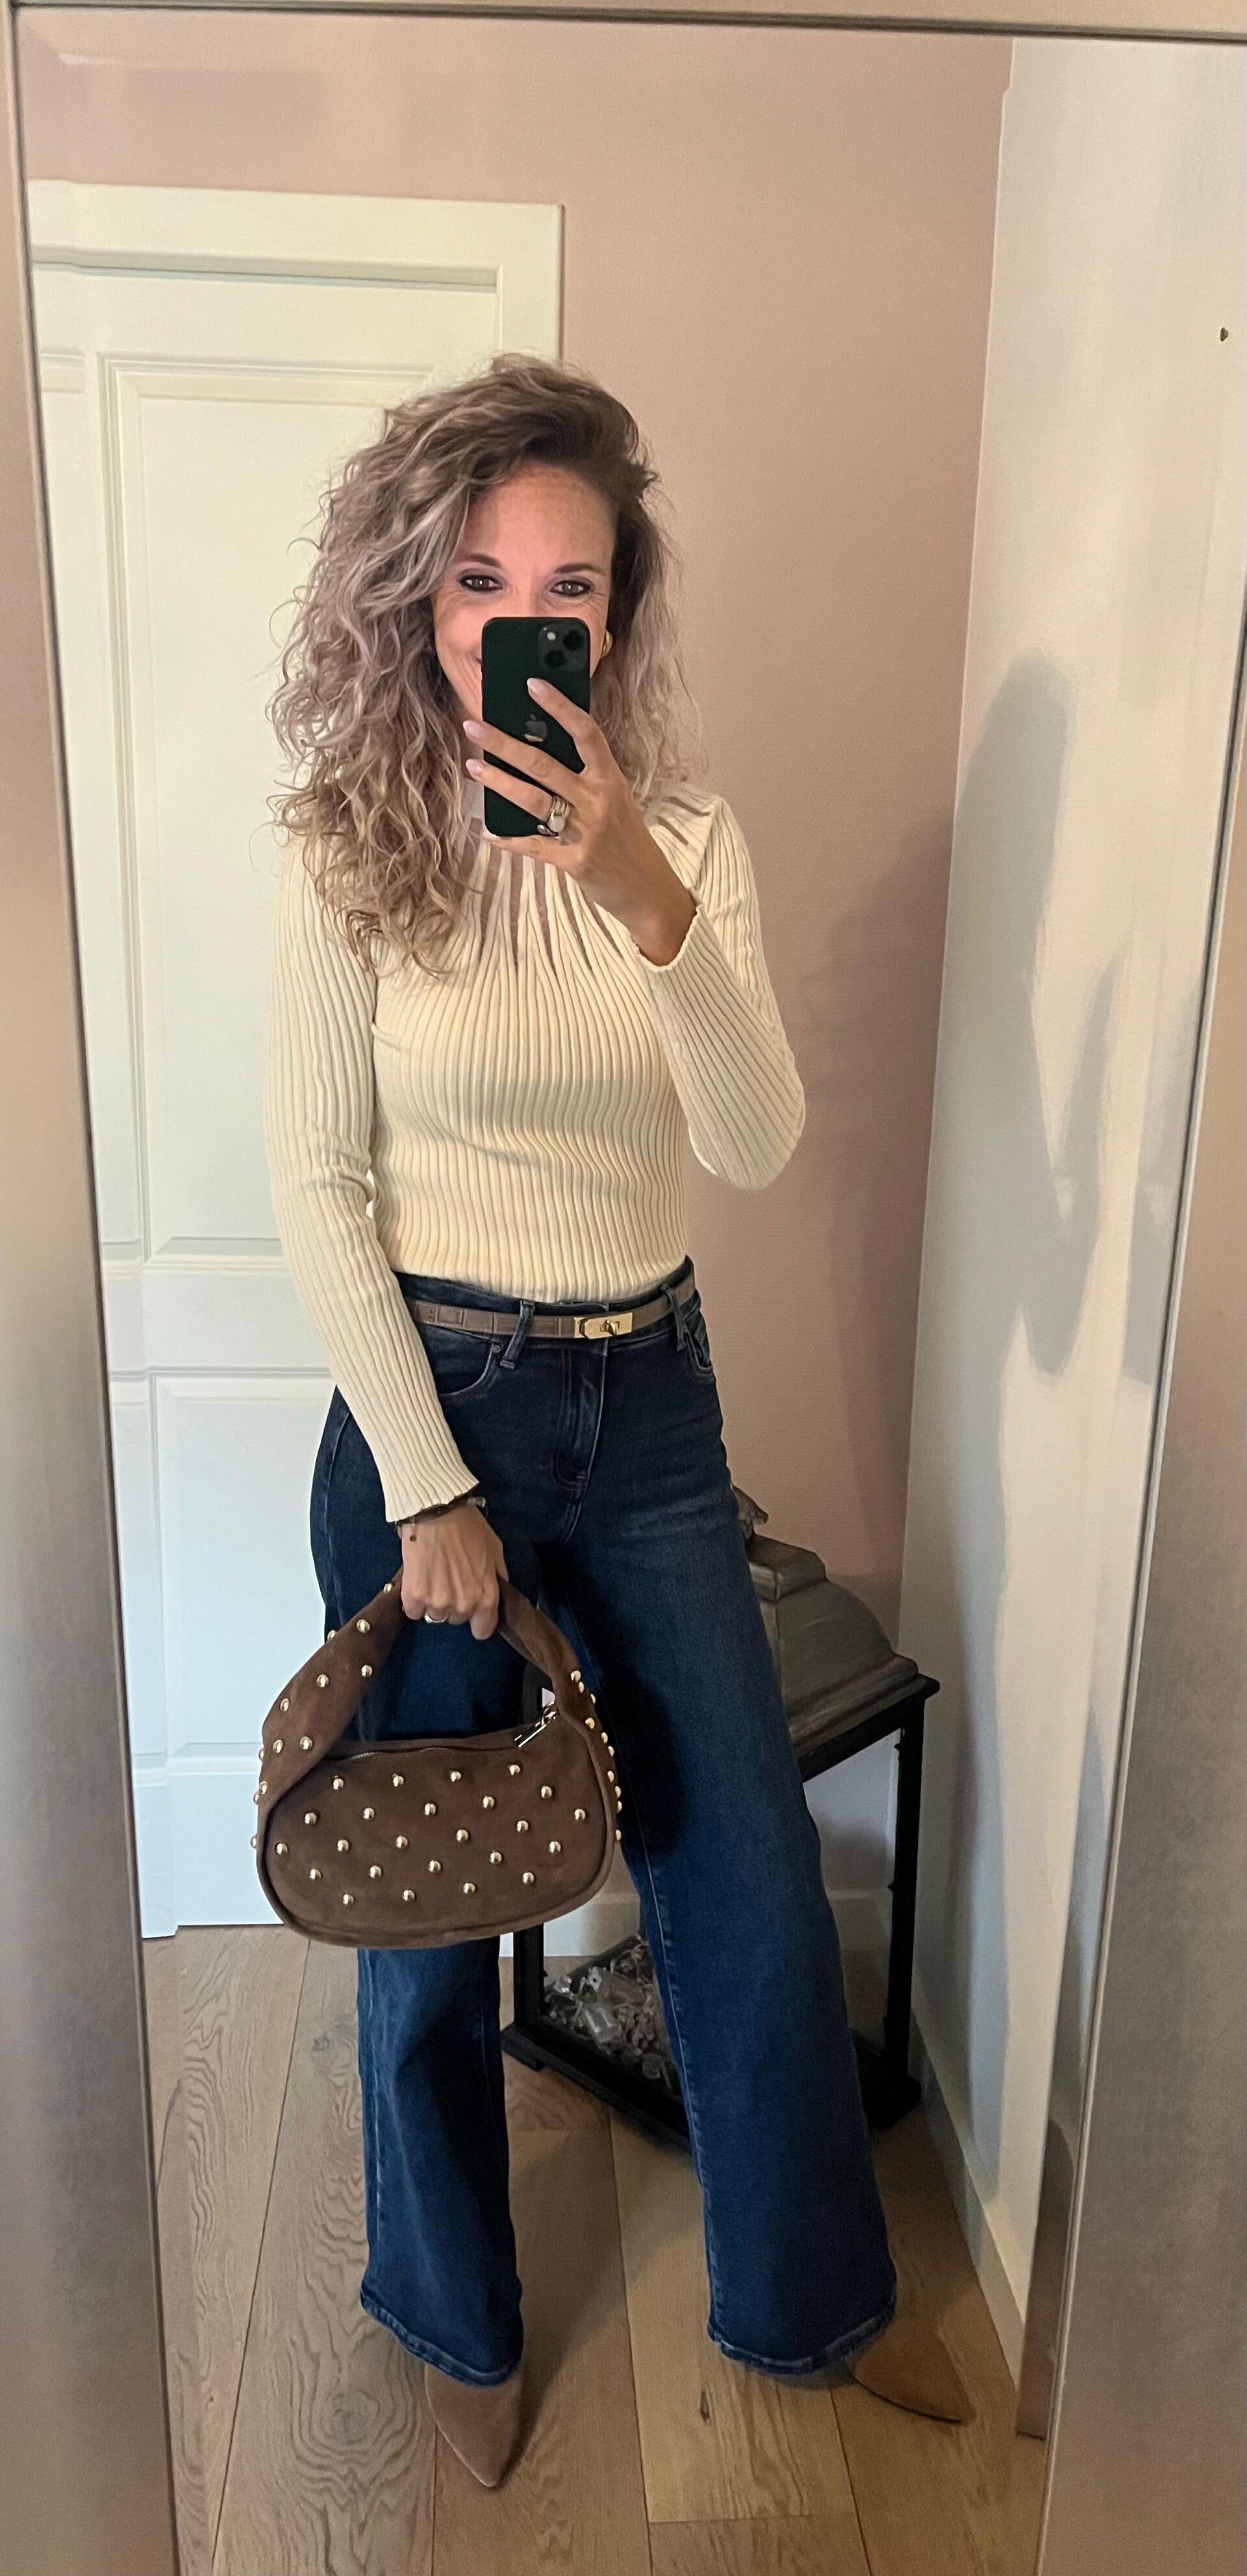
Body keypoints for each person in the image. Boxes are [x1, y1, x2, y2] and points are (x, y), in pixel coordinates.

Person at [264, 352, 968, 2488]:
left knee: (740, 1868)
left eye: (569, 585)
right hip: (437, 1412)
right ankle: (450, 2314)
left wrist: (638, 890)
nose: (524, 619)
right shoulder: (346, 856)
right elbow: (317, 1186)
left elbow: (750, 1143)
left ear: (618, 611)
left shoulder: (694, 849)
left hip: (650, 1402)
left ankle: (810, 2304)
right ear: (418, 601)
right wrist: (430, 1489)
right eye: (481, 580)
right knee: (430, 1902)